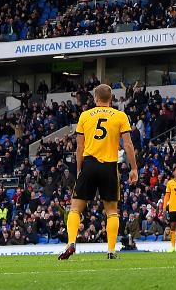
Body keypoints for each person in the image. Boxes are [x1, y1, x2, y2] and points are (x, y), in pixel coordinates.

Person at [59, 83, 138, 261]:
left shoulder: (85, 115)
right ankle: (111, 251)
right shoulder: (120, 116)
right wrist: (133, 168)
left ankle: (71, 242)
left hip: (89, 164)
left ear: (95, 98)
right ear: (111, 98)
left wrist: (79, 169)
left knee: (75, 208)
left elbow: (79, 147)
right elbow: (127, 145)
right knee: (111, 211)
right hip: (109, 166)